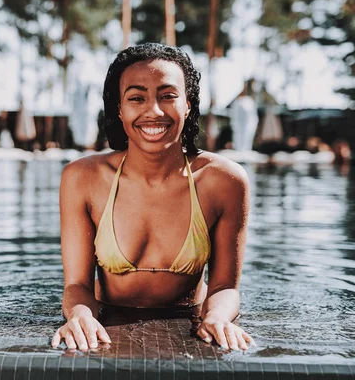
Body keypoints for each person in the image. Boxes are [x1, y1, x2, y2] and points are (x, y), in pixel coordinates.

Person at [51, 43, 255, 352]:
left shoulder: (223, 180)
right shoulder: (83, 178)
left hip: (187, 318)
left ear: (188, 104)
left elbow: (225, 285)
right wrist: (80, 316)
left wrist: (217, 317)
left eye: (168, 96)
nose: (154, 111)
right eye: (136, 98)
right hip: (108, 316)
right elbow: (77, 285)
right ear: (119, 108)